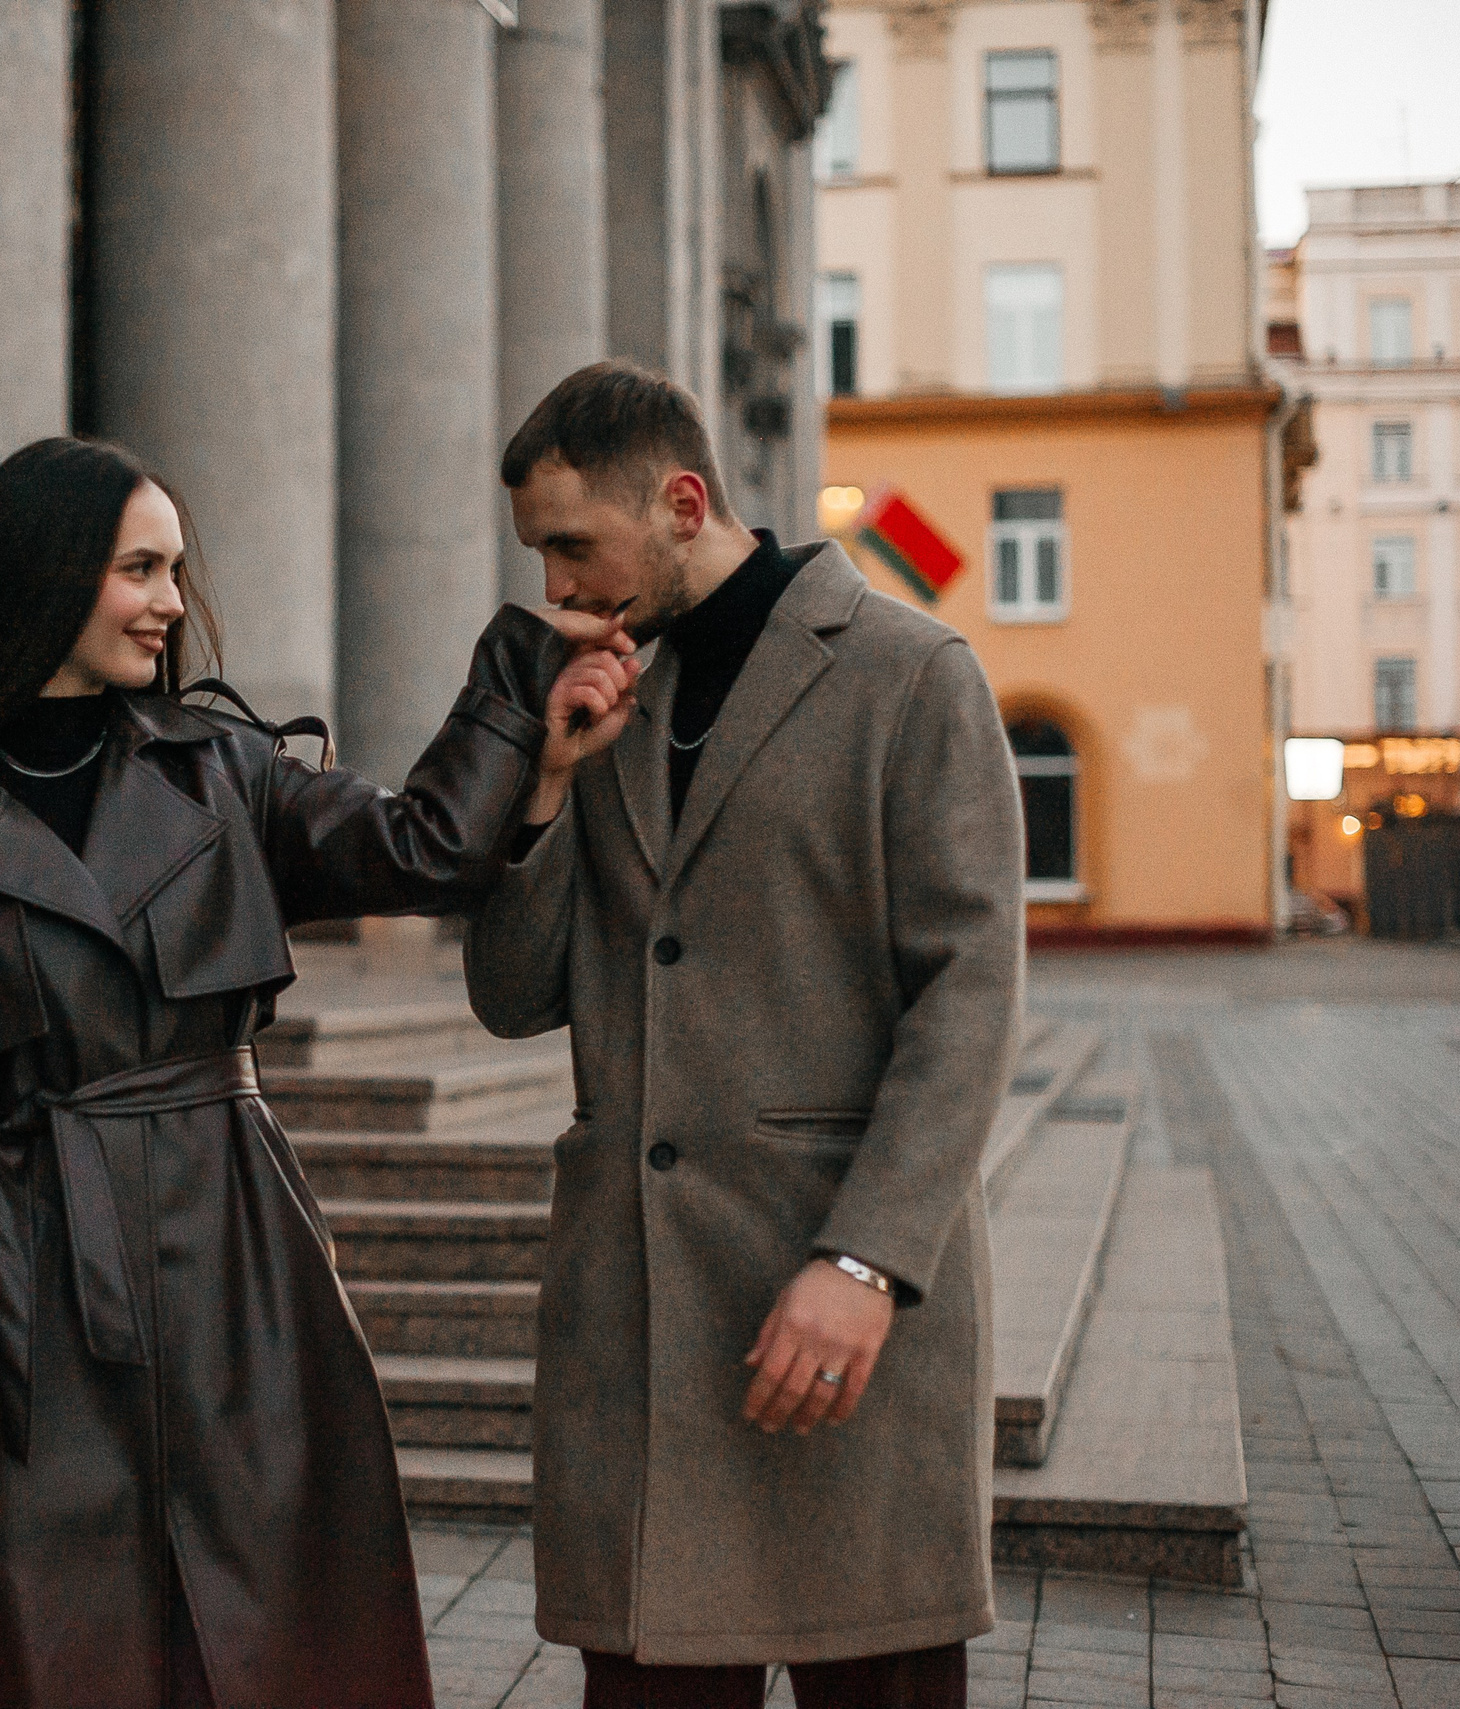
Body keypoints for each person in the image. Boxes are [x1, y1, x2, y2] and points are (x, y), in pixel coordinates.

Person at [0, 435, 620, 1709]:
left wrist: (519, 690)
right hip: (8, 1282)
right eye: (140, 568)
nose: (172, 600)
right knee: (42, 1650)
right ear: (45, 577)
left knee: (271, 1632)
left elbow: (422, 848)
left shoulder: (221, 769)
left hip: (239, 1265)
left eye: (173, 568)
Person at [464, 362, 1025, 1709]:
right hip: (640, 1332)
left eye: (573, 545)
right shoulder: (606, 702)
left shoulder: (911, 673)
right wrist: (543, 787)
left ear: (681, 501)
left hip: (836, 1315)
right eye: (542, 554)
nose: (557, 587)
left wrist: (867, 1258)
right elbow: (511, 991)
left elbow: (969, 993)